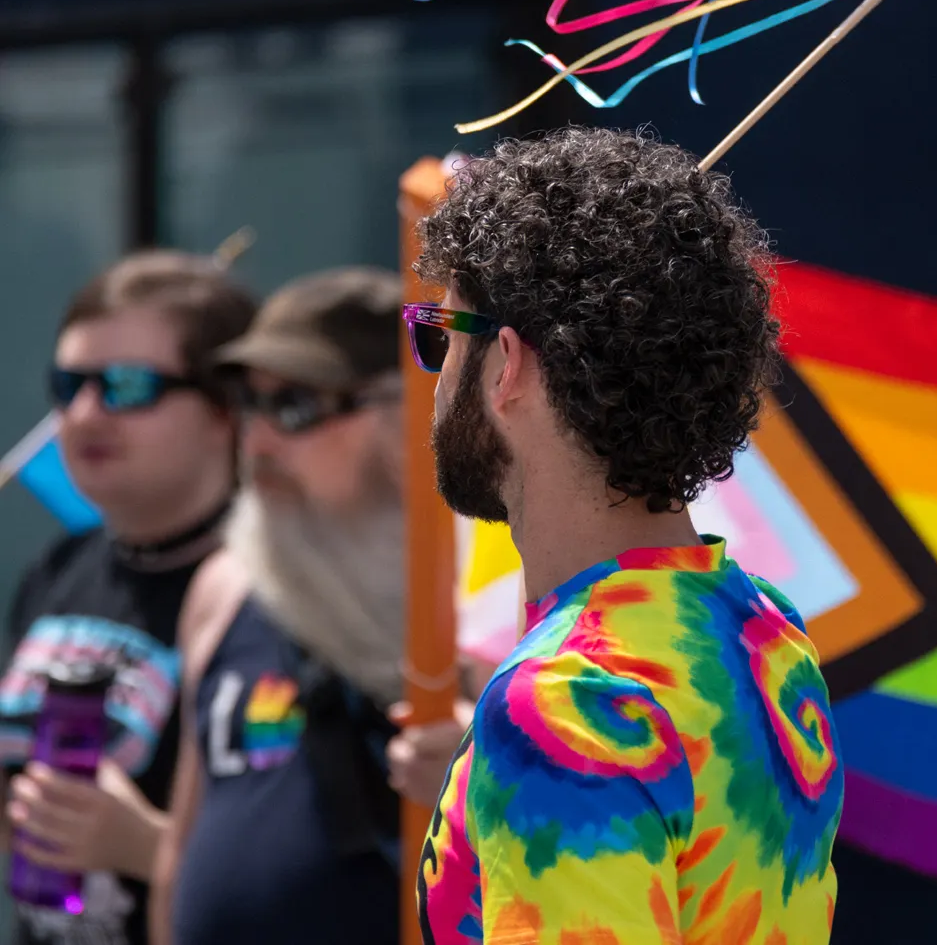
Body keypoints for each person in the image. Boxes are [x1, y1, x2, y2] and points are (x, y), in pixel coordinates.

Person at [402, 128, 844, 944]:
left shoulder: (569, 703)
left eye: (440, 336)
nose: (433, 378)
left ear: (506, 365)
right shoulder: (762, 627)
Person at [150, 267, 471, 945]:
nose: (259, 441)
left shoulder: (487, 602)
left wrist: (496, 776)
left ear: (408, 414)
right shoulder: (225, 586)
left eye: (296, 407)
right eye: (248, 403)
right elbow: (181, 856)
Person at [0, 250, 258, 945]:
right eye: (68, 383)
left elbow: (319, 872)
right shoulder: (58, 566)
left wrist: (146, 846)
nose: (83, 414)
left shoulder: (273, 600)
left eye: (126, 385)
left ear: (224, 408)